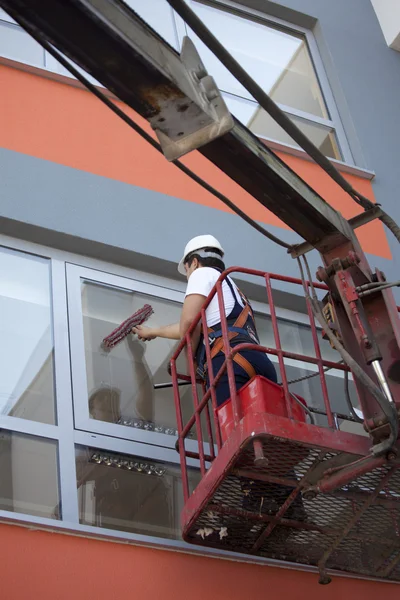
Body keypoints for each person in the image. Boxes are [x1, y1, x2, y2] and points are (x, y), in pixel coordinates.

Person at [132, 234, 277, 406]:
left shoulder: (201, 273)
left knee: (230, 427)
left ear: (194, 262)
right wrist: (153, 331)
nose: (188, 276)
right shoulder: (230, 287)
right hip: (261, 363)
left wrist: (191, 362)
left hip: (229, 361)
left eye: (186, 270)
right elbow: (193, 326)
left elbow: (189, 322)